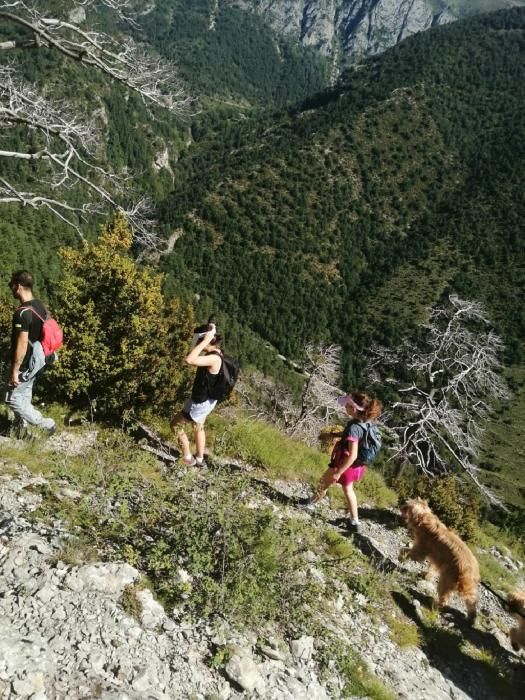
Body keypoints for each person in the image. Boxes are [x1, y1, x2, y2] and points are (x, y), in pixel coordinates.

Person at [301, 391, 383, 529]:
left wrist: (338, 472)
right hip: (357, 467)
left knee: (324, 482)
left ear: (354, 408)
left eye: (347, 405)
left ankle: (310, 503)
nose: (345, 407)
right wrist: (338, 434)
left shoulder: (353, 427)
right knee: (348, 490)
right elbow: (357, 440)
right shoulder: (367, 423)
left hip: (345, 464)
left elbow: (352, 455)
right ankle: (354, 521)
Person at [4, 270, 56, 435]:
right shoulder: (39, 305)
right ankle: (20, 429)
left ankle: (45, 424)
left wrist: (14, 370)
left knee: (11, 398)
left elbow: (22, 343)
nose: (11, 289)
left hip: (26, 364)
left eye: (11, 285)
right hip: (39, 360)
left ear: (18, 286)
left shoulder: (22, 313)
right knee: (24, 395)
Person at [170, 322, 223, 467]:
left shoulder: (213, 358)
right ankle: (199, 458)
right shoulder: (218, 353)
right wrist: (210, 333)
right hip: (208, 400)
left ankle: (188, 458)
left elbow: (189, 359)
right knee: (198, 426)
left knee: (175, 425)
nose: (196, 345)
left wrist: (205, 339)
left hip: (200, 401)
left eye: (198, 341)